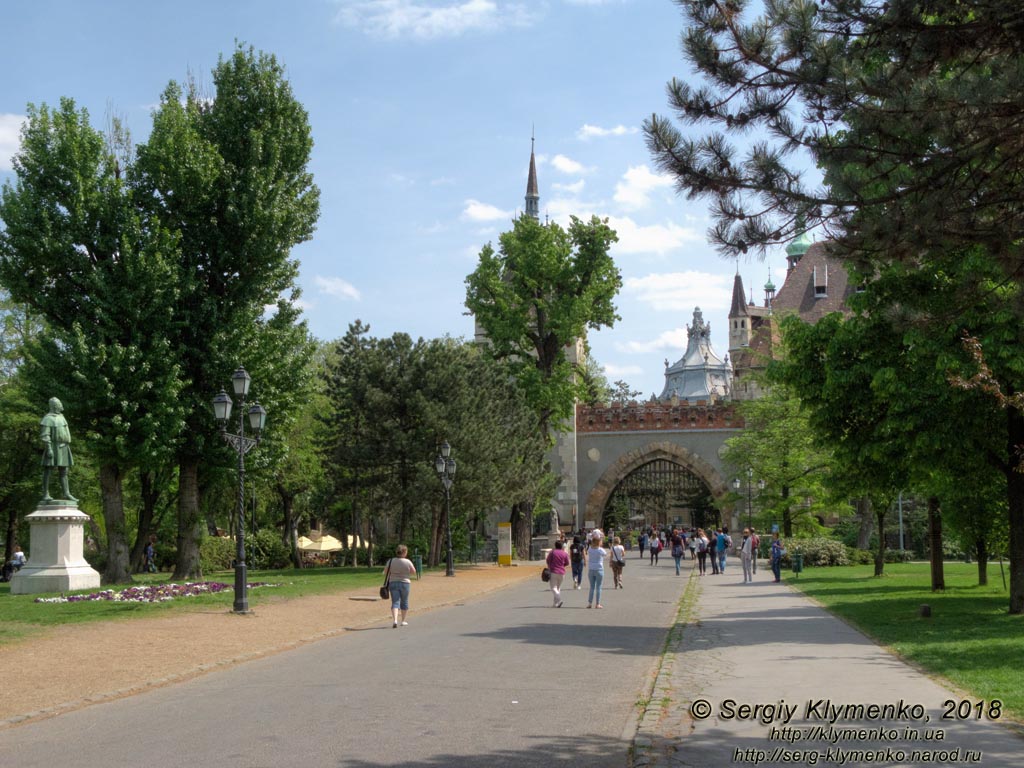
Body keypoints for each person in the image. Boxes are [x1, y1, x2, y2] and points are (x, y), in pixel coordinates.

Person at [41, 397, 76, 502]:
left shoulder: (62, 417)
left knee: (64, 470)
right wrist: (49, 448)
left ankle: (66, 493)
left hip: (64, 446)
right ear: (55, 406)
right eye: (59, 404)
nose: (61, 405)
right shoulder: (48, 418)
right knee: (48, 470)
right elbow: (45, 435)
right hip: (53, 446)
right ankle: (45, 493)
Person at [384, 544, 417, 628]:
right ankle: (403, 620)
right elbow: (413, 571)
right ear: (404, 552)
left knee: (395, 601)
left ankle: (395, 620)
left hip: (393, 582)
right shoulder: (407, 561)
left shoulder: (391, 561)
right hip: (405, 583)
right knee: (404, 601)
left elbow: (385, 571)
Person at [586, 529, 608, 608]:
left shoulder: (590, 549)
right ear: (599, 542)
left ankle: (589, 603)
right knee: (598, 587)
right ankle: (597, 604)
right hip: (599, 569)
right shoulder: (600, 550)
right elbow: (605, 554)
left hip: (591, 569)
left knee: (592, 587)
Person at [546, 540, 570, 607]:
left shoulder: (552, 552)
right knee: (558, 588)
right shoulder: (564, 553)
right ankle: (555, 603)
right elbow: (567, 563)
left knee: (553, 587)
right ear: (561, 546)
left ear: (555, 545)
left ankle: (559, 599)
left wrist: (550, 566)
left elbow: (547, 560)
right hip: (562, 572)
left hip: (554, 571)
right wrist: (562, 565)